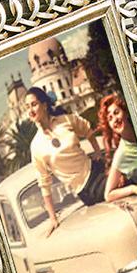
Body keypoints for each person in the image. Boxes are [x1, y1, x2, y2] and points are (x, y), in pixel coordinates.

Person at [25, 87, 106, 236]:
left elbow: (86, 128)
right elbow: (44, 183)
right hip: (84, 191)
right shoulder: (36, 146)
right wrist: (53, 218)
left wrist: (98, 152)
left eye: (34, 104)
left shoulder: (65, 120)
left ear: (44, 105)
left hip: (97, 172)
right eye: (27, 107)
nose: (30, 110)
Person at [99, 93, 137, 203]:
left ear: (126, 112)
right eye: (110, 119)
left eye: (116, 112)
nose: (115, 119)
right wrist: (133, 189)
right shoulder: (122, 154)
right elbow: (108, 195)